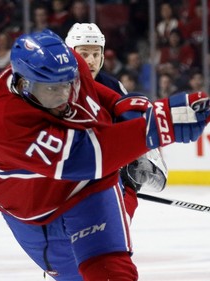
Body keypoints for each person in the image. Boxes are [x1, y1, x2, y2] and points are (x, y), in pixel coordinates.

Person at [0, 29, 210, 280]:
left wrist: (126, 107)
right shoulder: (3, 121)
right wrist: (160, 127)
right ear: (23, 84)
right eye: (50, 92)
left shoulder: (70, 68)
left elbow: (94, 92)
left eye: (66, 87)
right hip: (33, 209)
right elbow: (84, 158)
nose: (62, 100)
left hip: (91, 187)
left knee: (112, 272)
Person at [65, 23, 168, 218]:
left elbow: (135, 127)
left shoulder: (112, 87)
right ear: (71, 54)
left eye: (96, 54)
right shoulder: (56, 88)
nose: (91, 61)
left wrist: (144, 166)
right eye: (84, 54)